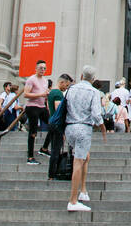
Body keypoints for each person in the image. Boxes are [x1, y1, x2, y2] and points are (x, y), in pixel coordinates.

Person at [63, 67, 108, 212]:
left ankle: (83, 190)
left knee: (84, 157)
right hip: (83, 128)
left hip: (69, 127)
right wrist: (102, 127)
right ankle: (73, 200)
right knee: (78, 161)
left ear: (81, 76)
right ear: (93, 79)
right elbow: (96, 113)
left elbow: (65, 107)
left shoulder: (70, 89)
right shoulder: (94, 92)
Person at [22, 62, 52, 163]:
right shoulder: (31, 79)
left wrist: (46, 97)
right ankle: (30, 157)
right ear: (36, 68)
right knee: (33, 132)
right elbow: (26, 94)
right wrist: (40, 94)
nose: (42, 70)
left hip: (42, 107)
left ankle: (44, 148)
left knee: (53, 126)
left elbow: (44, 95)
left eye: (44, 68)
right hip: (32, 107)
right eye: (40, 68)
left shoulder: (45, 80)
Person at [39, 74, 71, 157]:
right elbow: (58, 108)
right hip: (57, 122)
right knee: (57, 147)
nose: (66, 88)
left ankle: (46, 149)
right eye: (66, 85)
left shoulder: (52, 92)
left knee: (54, 145)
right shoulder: (58, 93)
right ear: (61, 82)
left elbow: (49, 107)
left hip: (52, 120)